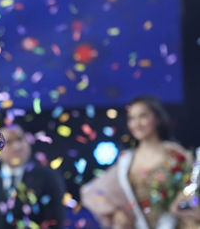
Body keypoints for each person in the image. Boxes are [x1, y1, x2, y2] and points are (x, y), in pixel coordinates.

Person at [81, 96, 191, 229]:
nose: (136, 123)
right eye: (131, 118)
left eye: (142, 116)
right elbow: (94, 191)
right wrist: (116, 212)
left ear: (157, 118)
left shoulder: (176, 155)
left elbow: (192, 193)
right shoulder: (126, 160)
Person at [0, 124, 66, 229]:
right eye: (9, 142)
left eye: (20, 139)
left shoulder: (48, 177)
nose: (17, 147)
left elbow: (54, 219)